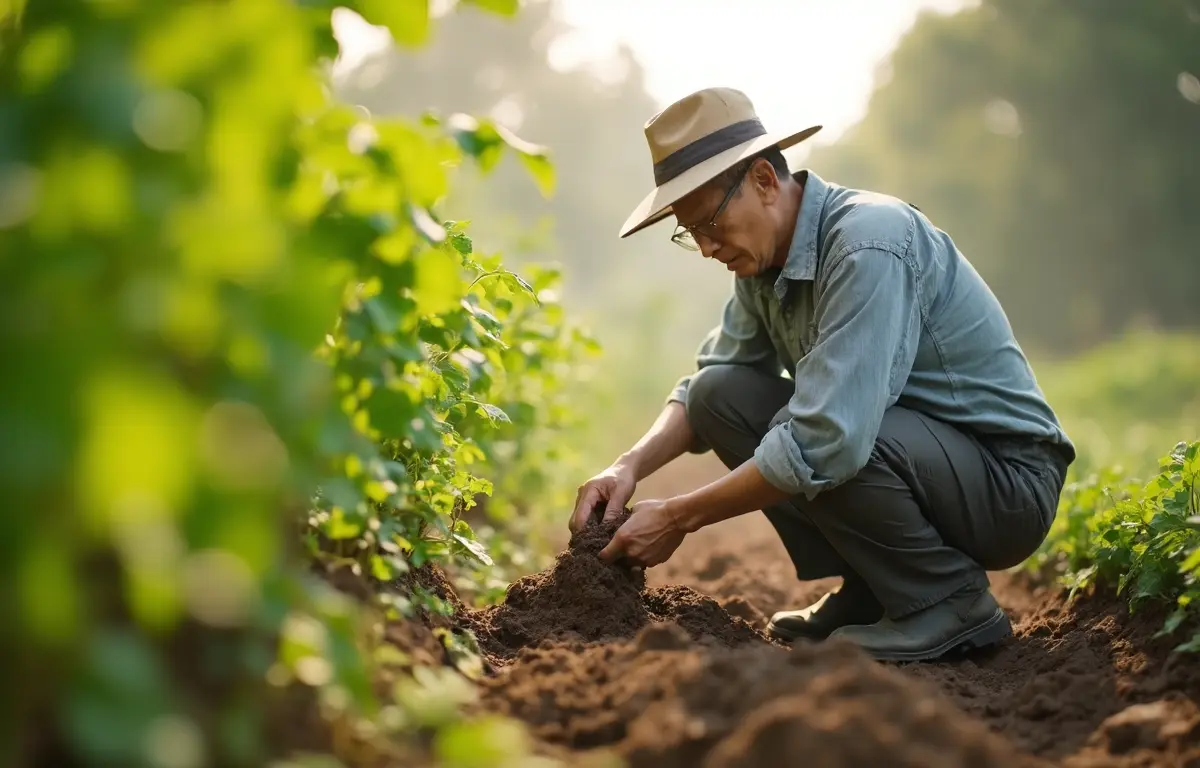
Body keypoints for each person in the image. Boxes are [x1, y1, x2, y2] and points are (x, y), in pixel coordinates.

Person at [568, 87, 1075, 662]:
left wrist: (681, 516)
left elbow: (828, 435)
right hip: (919, 458)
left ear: (763, 179)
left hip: (1004, 485)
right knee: (720, 395)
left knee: (827, 425)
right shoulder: (761, 267)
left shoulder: (868, 243)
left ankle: (947, 601)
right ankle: (875, 588)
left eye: (711, 221)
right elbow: (708, 382)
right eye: (691, 233)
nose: (708, 248)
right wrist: (627, 465)